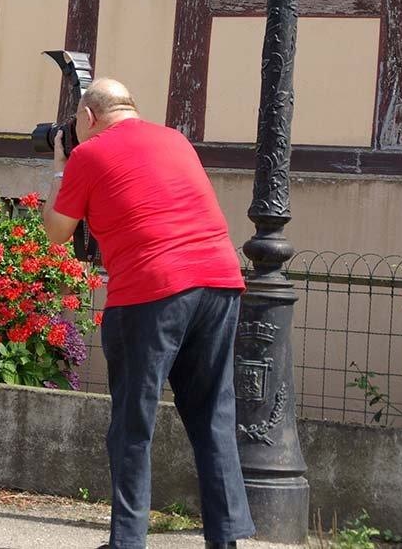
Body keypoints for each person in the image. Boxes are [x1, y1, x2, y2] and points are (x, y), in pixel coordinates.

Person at [41, 79, 255, 549]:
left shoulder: (87, 155)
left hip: (152, 291)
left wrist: (59, 167)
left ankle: (128, 542)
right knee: (213, 414)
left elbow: (57, 232)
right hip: (220, 281)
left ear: (88, 117)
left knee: (134, 422)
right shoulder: (176, 139)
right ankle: (225, 541)